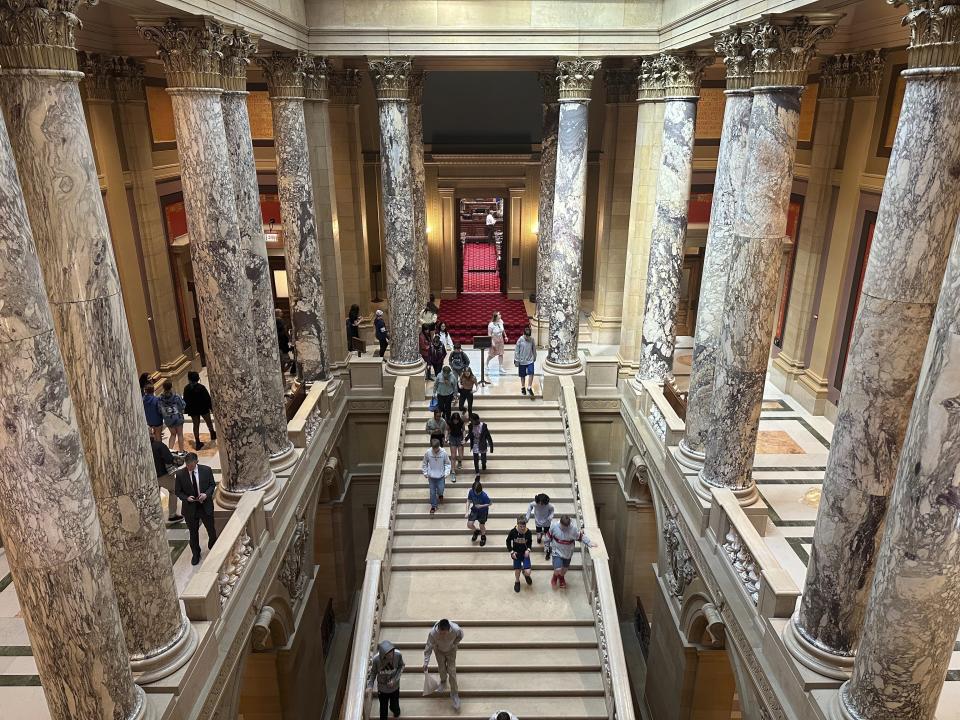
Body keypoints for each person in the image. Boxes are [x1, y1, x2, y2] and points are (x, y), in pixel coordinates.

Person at [174, 452, 218, 565]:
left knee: (211, 530)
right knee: (193, 533)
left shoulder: (206, 470)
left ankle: (213, 545)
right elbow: (178, 492)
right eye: (188, 466)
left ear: (197, 462)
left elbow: (212, 485)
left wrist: (206, 495)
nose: (190, 468)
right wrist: (186, 498)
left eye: (192, 465)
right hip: (190, 508)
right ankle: (196, 553)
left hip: (205, 506)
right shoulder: (180, 474)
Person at [423, 619, 463, 711]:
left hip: (451, 650)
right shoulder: (433, 633)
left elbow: (461, 635)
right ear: (439, 629)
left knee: (452, 672)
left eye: (444, 633)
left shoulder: (456, 629)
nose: (443, 635)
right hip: (439, 651)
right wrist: (426, 662)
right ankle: (443, 681)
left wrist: (454, 643)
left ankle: (454, 694)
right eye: (441, 633)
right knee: (441, 668)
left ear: (448, 630)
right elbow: (428, 647)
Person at [547, 514, 595, 589]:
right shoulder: (554, 526)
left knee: (564, 570)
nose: (565, 528)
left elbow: (580, 536)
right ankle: (555, 576)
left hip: (568, 553)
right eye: (563, 527)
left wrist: (589, 542)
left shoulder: (573, 529)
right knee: (558, 569)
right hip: (557, 551)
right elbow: (548, 536)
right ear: (561, 523)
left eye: (567, 527)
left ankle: (561, 577)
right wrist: (547, 546)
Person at [366, 640, 404, 720]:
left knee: (395, 706)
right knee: (383, 708)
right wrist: (370, 685)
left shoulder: (397, 655)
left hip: (394, 687)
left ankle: (395, 711)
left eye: (392, 652)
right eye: (389, 653)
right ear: (384, 654)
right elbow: (373, 672)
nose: (391, 655)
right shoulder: (376, 659)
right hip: (382, 689)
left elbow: (401, 666)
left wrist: (394, 680)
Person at [151, 433, 183, 523]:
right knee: (174, 490)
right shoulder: (159, 445)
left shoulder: (140, 447)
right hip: (163, 475)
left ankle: (154, 516)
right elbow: (169, 459)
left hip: (149, 477)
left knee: (154, 495)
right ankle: (172, 515)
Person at [183, 371, 216, 451]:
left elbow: (185, 399)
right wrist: (211, 408)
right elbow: (207, 399)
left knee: (196, 425)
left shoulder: (186, 388)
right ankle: (212, 433)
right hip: (203, 408)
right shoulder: (201, 387)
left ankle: (197, 442)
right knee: (208, 421)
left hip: (193, 409)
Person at [421, 437, 450, 514]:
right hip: (431, 477)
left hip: (441, 476)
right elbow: (424, 463)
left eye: (436, 449)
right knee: (432, 492)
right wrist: (425, 472)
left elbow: (447, 463)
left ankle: (440, 494)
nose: (435, 450)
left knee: (441, 489)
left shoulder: (444, 453)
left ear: (438, 446)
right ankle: (433, 506)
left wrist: (446, 473)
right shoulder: (428, 452)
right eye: (433, 449)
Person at [506, 515, 533, 593]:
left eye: (524, 526)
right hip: (516, 554)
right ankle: (517, 581)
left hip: (525, 554)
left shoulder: (528, 532)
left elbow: (530, 542)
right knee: (517, 570)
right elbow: (508, 541)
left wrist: (528, 550)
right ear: (517, 524)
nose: (522, 528)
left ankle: (525, 574)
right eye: (520, 526)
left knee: (528, 572)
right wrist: (511, 552)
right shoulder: (513, 531)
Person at [158, 380, 187, 454]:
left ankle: (170, 451)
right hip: (177, 418)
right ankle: (181, 452)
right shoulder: (176, 396)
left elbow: (159, 410)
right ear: (171, 386)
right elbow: (182, 405)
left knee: (173, 434)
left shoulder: (160, 398)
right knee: (180, 434)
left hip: (168, 419)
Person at [465, 477, 491, 546]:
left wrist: (481, 506)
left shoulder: (484, 495)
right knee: (469, 524)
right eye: (476, 493)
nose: (478, 494)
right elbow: (468, 500)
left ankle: (483, 536)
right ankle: (476, 531)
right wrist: (467, 511)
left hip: (483, 511)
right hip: (475, 510)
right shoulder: (471, 491)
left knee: (481, 525)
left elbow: (490, 503)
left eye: (479, 493)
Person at [514, 325, 537, 398]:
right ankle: (523, 387)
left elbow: (534, 349)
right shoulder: (520, 340)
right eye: (526, 336)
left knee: (531, 372)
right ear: (523, 334)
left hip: (530, 359)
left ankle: (529, 387)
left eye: (528, 336)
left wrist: (534, 357)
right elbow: (517, 351)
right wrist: (516, 360)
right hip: (522, 360)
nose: (527, 338)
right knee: (522, 375)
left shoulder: (532, 339)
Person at [276, 309, 293, 375]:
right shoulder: (280, 321)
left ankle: (282, 372)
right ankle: (282, 372)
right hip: (282, 344)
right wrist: (288, 338)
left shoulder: (276, 320)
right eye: (281, 312)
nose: (282, 313)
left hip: (280, 344)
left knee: (284, 361)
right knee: (287, 361)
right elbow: (284, 331)